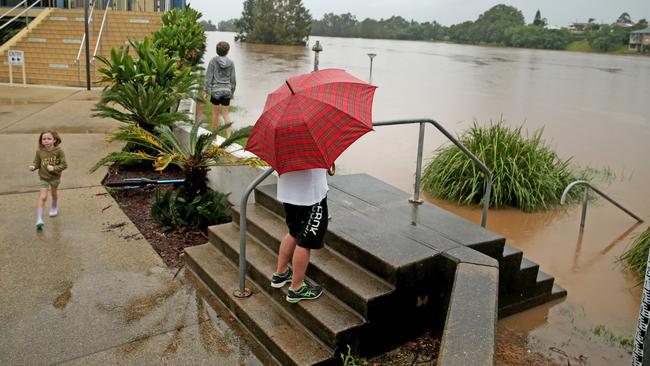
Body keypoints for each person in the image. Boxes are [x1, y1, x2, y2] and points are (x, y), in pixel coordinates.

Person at [271, 163, 335, 303]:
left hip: (288, 192)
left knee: (294, 232)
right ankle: (297, 289)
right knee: (305, 242)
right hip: (310, 196)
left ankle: (281, 273)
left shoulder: (283, 141)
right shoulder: (311, 142)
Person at [28, 129, 67, 230]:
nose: (46, 141)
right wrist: (33, 167)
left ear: (54, 140)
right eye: (44, 139)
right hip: (43, 177)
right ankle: (39, 219)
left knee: (53, 193)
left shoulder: (59, 151)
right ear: (41, 141)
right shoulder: (39, 151)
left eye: (49, 139)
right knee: (43, 197)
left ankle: (54, 206)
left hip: (55, 177)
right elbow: (36, 162)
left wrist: (54, 168)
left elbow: (64, 165)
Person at [204, 41, 236, 136]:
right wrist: (232, 92)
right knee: (226, 114)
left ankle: (214, 137)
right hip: (227, 91)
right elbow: (233, 79)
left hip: (216, 91)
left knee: (215, 114)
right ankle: (229, 136)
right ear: (227, 51)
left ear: (217, 51)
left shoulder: (213, 61)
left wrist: (206, 91)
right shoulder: (231, 63)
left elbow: (208, 77)